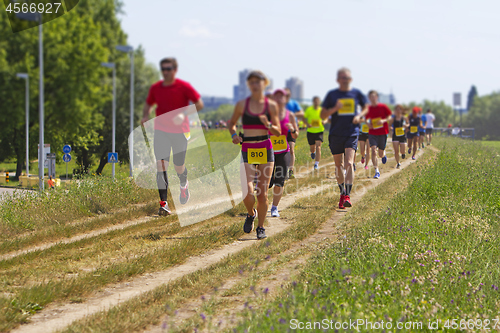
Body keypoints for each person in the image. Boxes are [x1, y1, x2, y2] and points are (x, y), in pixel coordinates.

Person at [141, 57, 204, 216]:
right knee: (161, 165)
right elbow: (149, 103)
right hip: (161, 131)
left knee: (178, 166)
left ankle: (184, 184)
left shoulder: (184, 86)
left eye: (169, 68)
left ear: (175, 70)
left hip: (180, 132)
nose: (166, 72)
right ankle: (164, 203)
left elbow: (199, 104)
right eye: (163, 69)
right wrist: (145, 115)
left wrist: (183, 114)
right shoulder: (156, 88)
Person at [228, 70, 281, 240]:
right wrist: (234, 136)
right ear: (248, 85)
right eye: (251, 82)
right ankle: (251, 213)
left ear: (264, 83)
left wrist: (268, 124)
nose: (255, 85)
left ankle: (260, 227)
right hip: (248, 149)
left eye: (258, 81)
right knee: (247, 192)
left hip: (265, 148)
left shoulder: (271, 106)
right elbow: (232, 124)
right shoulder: (242, 105)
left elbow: (278, 131)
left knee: (262, 193)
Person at [320, 67, 368, 209]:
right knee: (338, 166)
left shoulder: (356, 93)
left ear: (350, 79)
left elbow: (366, 107)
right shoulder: (332, 95)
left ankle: (347, 195)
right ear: (337, 80)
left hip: (352, 132)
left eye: (347, 77)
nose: (344, 80)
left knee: (349, 163)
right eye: (342, 77)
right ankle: (342, 193)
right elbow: (323, 115)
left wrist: (359, 116)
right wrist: (334, 109)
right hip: (335, 133)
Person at [269, 89, 298, 217]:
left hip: (283, 152)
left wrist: (292, 130)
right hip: (268, 151)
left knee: (280, 181)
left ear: (285, 99)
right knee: (266, 183)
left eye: (282, 96)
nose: (279, 99)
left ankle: (274, 207)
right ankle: (261, 204)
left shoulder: (289, 115)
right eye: (277, 96)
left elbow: (296, 134)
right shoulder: (267, 113)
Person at [365, 90, 392, 179]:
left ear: (377, 97)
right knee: (373, 150)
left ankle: (383, 154)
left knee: (380, 154)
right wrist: (368, 123)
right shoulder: (368, 108)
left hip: (382, 133)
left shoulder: (383, 107)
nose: (372, 98)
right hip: (372, 132)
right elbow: (365, 118)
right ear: (369, 98)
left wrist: (383, 121)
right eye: (371, 97)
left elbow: (389, 117)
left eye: (374, 96)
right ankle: (377, 171)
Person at [284, 88, 304, 179]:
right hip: (281, 131)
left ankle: (291, 171)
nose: (286, 96)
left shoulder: (293, 103)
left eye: (287, 95)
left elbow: (301, 113)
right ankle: (282, 170)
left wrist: (292, 115)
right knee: (282, 150)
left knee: (291, 149)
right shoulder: (278, 104)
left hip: (291, 129)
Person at [303, 96, 325, 170]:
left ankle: (316, 164)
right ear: (313, 102)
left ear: (319, 102)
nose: (316, 102)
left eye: (317, 101)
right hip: (311, 131)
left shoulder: (322, 110)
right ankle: (313, 152)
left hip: (319, 130)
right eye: (315, 101)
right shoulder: (309, 110)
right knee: (312, 148)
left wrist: (324, 121)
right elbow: (303, 118)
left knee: (318, 147)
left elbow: (326, 117)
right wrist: (307, 124)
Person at [388, 104, 408, 169]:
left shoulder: (404, 118)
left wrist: (406, 126)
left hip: (402, 135)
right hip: (395, 135)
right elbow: (389, 125)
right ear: (395, 110)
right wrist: (390, 128)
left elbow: (408, 123)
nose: (398, 110)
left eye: (399, 109)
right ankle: (398, 163)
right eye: (397, 109)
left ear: (401, 110)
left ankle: (403, 153)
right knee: (396, 151)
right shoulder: (393, 119)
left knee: (403, 150)